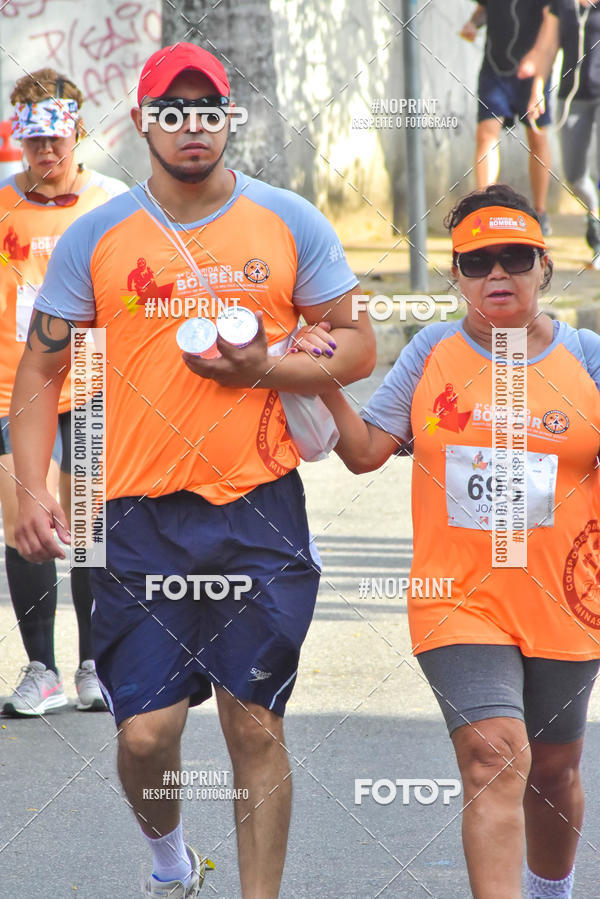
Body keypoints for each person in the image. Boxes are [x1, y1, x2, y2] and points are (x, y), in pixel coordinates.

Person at [9, 43, 375, 898]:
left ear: (227, 117)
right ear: (142, 123)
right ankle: (171, 862)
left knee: (255, 725)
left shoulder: (288, 220)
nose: (190, 126)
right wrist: (30, 490)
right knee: (143, 735)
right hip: (137, 513)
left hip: (259, 509)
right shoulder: (98, 235)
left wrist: (268, 372)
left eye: (205, 109)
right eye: (170, 112)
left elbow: (357, 344)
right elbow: (39, 370)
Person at [318, 184, 600, 899]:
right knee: (492, 755)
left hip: (567, 600)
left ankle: (550, 891)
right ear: (455, 274)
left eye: (514, 257)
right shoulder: (429, 353)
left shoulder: (589, 359)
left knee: (554, 768)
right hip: (458, 598)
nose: (496, 274)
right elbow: (363, 451)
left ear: (545, 266)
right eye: (478, 261)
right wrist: (320, 380)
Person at [0, 68, 128, 717]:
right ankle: (41, 667)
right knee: (26, 526)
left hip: (90, 384)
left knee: (87, 532)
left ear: (77, 131)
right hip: (11, 391)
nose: (46, 153)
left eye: (56, 139)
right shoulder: (0, 203)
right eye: (33, 143)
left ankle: (93, 664)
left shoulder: (109, 203)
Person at [460, 1, 553, 235]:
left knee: (537, 135)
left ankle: (540, 212)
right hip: (495, 70)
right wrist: (473, 23)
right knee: (485, 134)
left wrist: (538, 60)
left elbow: (551, 25)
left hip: (533, 71)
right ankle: (484, 207)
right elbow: (484, 10)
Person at [518, 0, 600, 262]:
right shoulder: (563, 5)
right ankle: (594, 210)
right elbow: (547, 47)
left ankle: (598, 238)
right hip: (572, 97)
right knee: (575, 176)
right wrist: (536, 91)